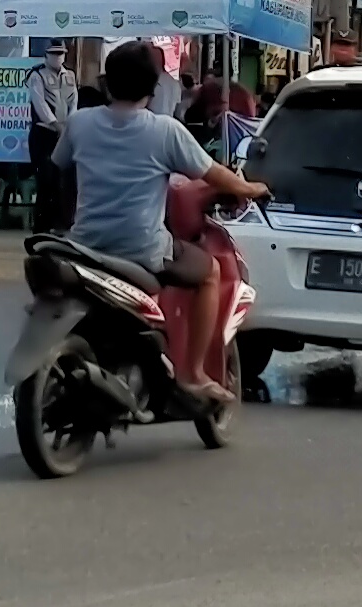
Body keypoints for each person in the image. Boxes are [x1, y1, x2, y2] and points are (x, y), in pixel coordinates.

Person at [57, 40, 266, 408]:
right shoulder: (165, 132)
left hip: (84, 244)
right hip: (142, 250)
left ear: (107, 84)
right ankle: (194, 374)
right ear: (154, 90)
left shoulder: (79, 123)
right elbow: (217, 176)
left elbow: (59, 169)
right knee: (210, 272)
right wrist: (253, 188)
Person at [24, 43, 79, 233]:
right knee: (45, 181)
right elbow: (39, 103)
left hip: (64, 133)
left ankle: (59, 225)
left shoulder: (70, 76)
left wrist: (69, 125)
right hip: (44, 133)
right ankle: (41, 228)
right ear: (46, 54)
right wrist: (55, 124)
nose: (57, 57)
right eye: (54, 53)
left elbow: (74, 102)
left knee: (61, 182)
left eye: (61, 54)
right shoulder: (37, 75)